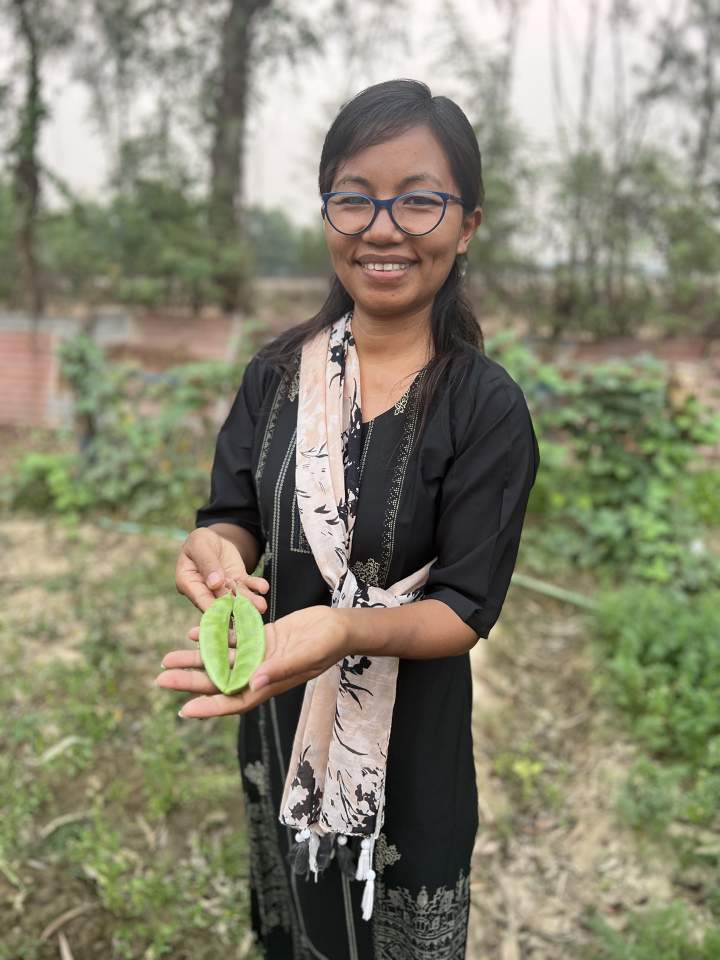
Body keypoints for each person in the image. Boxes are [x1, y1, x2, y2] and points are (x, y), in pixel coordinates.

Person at [155, 78, 540, 960]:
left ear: (466, 224)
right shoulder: (278, 375)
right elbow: (231, 515)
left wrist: (338, 628)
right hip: (277, 706)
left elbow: (463, 609)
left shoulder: (485, 409)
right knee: (296, 924)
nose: (382, 227)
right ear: (328, 212)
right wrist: (214, 550)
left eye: (419, 201)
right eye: (354, 198)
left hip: (410, 749)